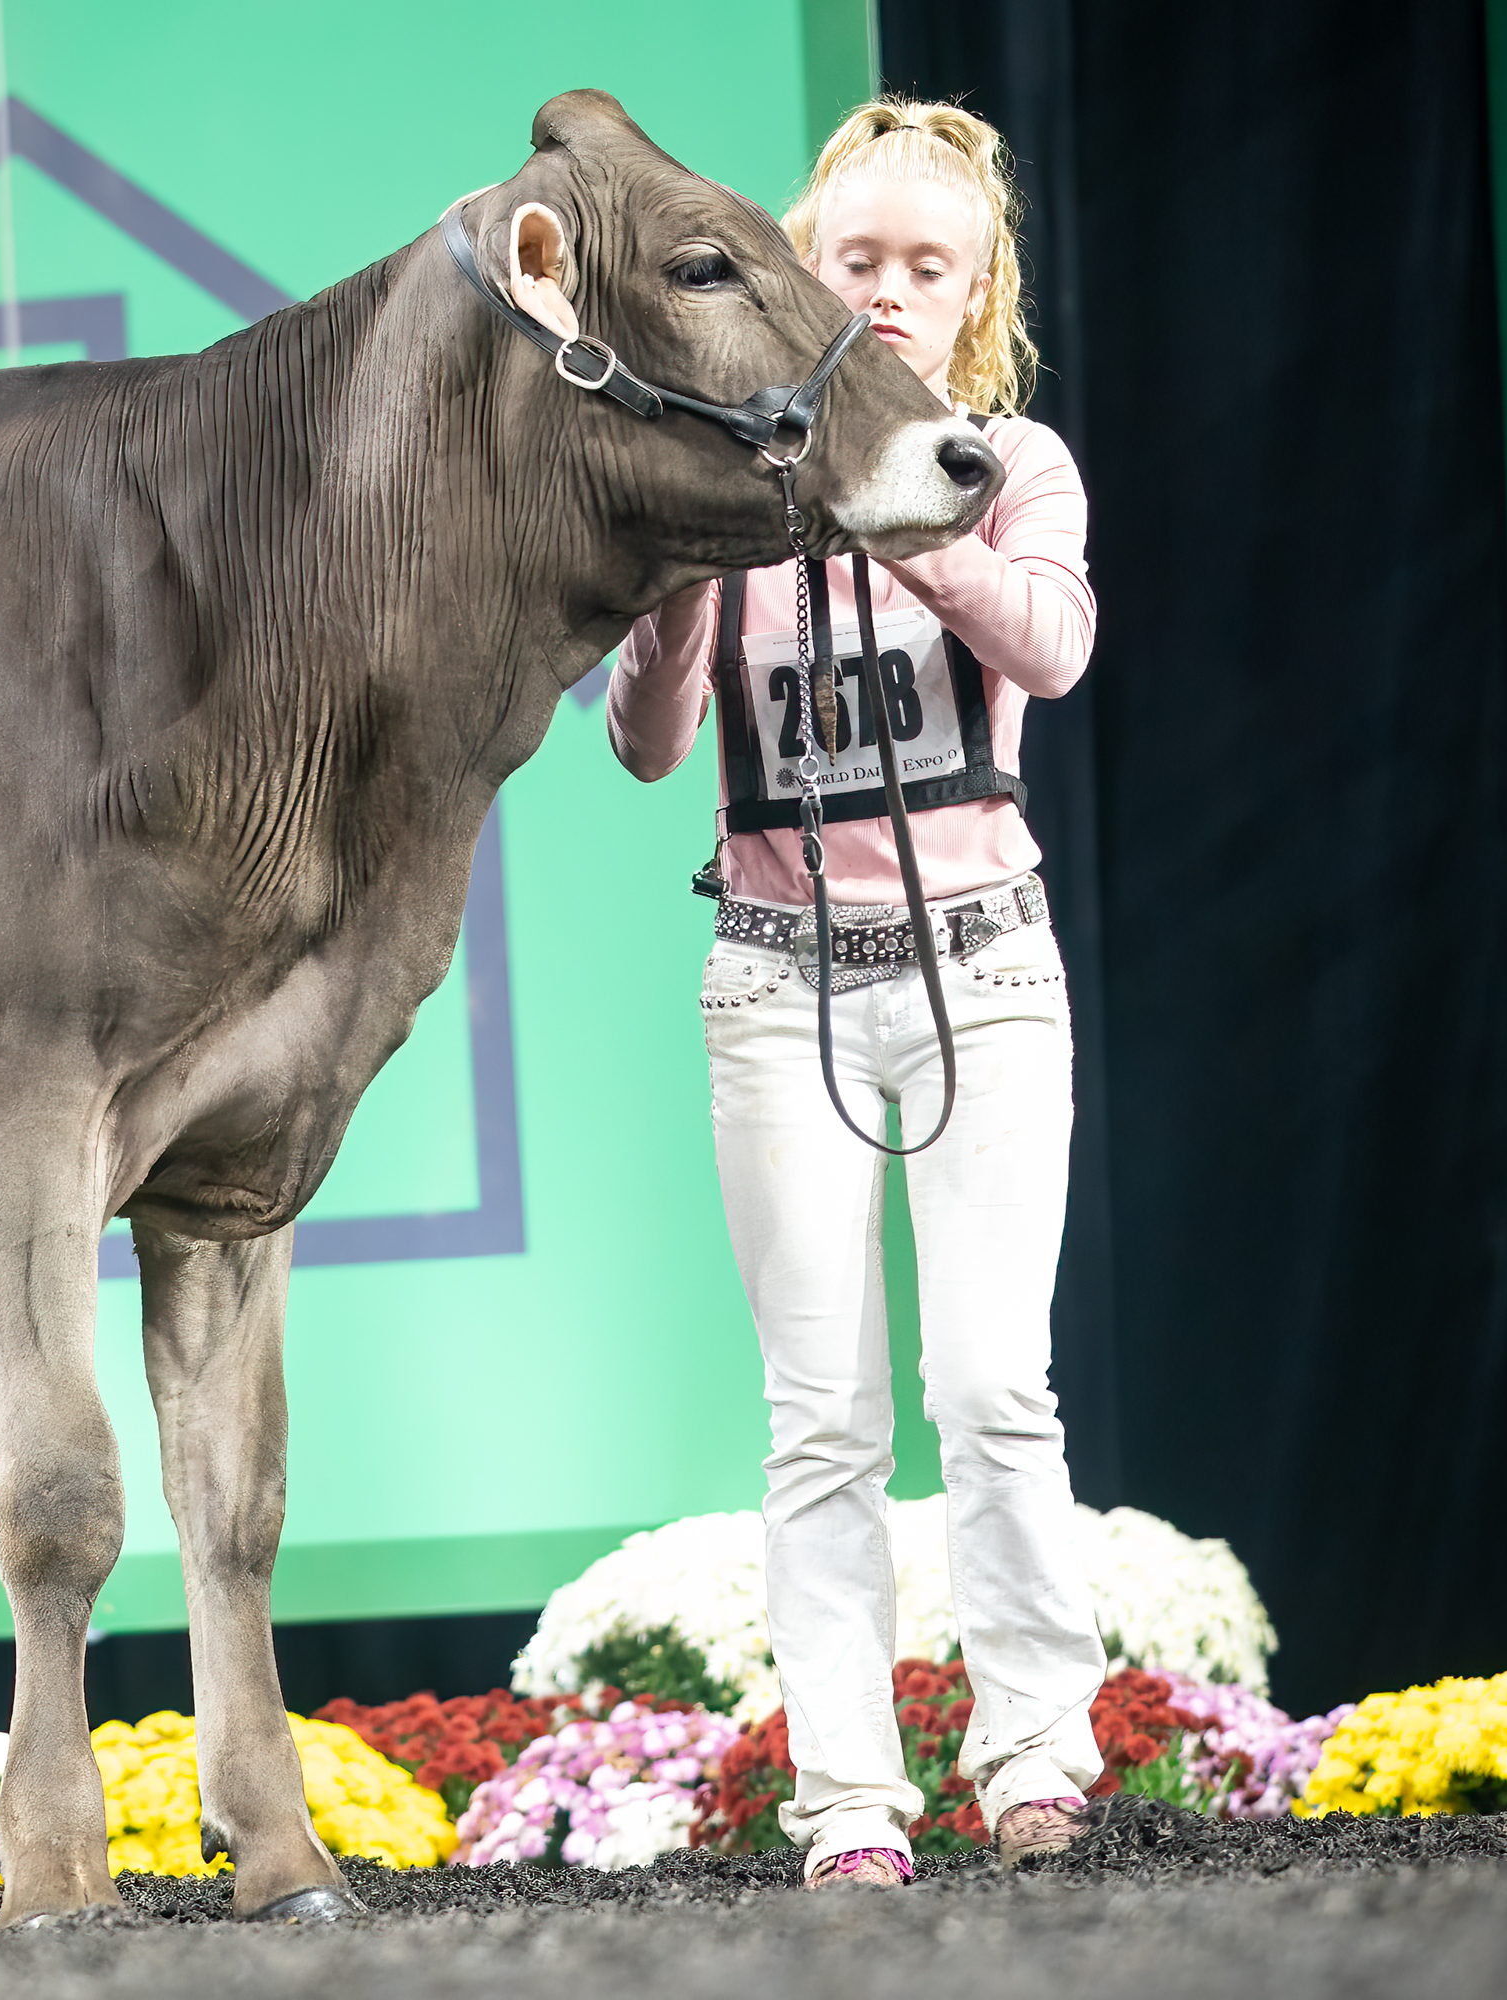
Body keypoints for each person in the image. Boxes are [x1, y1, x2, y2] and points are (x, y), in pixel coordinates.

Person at [604, 99, 1103, 1889]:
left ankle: (1037, 1754)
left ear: (977, 297)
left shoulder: (1011, 459)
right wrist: (683, 577)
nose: (888, 291)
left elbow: (1053, 642)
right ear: (803, 275)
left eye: (927, 267)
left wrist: (902, 505)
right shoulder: (730, 486)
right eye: (856, 259)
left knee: (993, 1387)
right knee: (821, 1419)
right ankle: (848, 1804)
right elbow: (649, 744)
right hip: (777, 980)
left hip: (986, 964)